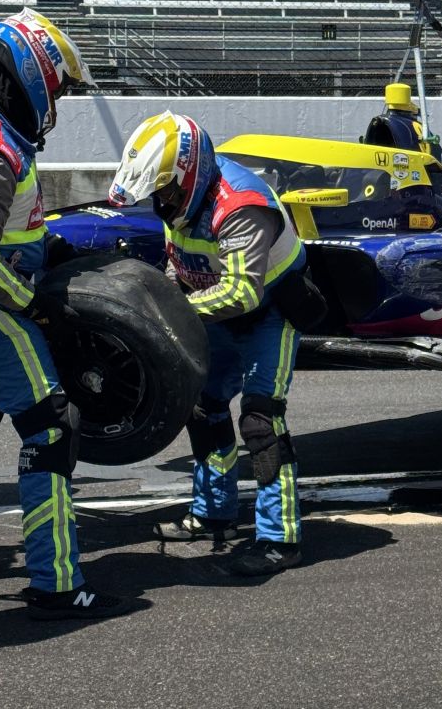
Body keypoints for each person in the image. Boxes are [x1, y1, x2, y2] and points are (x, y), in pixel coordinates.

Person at [0, 9, 130, 619]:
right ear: (33, 77)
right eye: (56, 89)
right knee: (51, 427)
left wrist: (45, 246)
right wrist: (30, 303)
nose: (55, 103)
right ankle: (57, 583)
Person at [110, 111, 316, 575]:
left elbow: (242, 292)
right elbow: (178, 264)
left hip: (270, 313)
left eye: (165, 192)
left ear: (190, 175)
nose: (160, 203)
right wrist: (167, 297)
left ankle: (280, 540)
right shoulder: (180, 198)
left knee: (262, 419)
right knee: (204, 409)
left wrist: (169, 312)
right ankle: (213, 514)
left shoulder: (241, 206)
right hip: (214, 309)